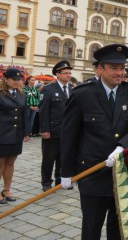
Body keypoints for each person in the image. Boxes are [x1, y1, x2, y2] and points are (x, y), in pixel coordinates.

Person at [60, 44, 128, 239]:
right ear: (99, 69)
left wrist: (122, 146)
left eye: (122, 68)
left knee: (119, 228)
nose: (120, 73)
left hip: (124, 173)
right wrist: (66, 172)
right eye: (114, 68)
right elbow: (69, 136)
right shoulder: (82, 94)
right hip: (92, 173)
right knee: (91, 227)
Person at [39, 61, 73, 191]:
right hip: (52, 131)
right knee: (49, 158)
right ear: (57, 74)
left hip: (67, 131)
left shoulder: (71, 89)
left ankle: (60, 181)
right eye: (65, 73)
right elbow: (43, 111)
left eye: (70, 73)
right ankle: (46, 182)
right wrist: (44, 130)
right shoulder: (48, 90)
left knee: (63, 157)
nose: (68, 75)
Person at [0, 68, 30, 204]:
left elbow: (25, 114)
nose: (17, 82)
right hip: (2, 133)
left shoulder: (21, 94)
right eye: (14, 79)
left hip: (16, 134)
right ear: (6, 79)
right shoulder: (1, 94)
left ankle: (6, 189)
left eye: (19, 79)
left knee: (11, 163)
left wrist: (27, 132)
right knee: (0, 164)